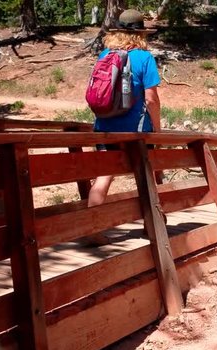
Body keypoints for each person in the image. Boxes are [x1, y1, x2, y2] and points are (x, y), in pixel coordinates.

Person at [85, 9, 162, 245]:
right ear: (141, 34)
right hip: (135, 130)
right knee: (147, 175)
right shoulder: (144, 58)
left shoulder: (104, 56)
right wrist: (157, 129)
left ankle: (92, 230)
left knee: (104, 176)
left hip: (105, 125)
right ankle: (153, 226)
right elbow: (151, 99)